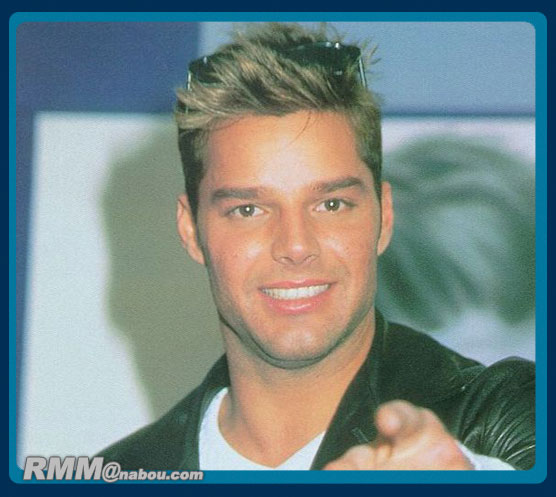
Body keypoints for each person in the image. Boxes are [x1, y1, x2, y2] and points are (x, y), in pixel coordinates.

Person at [98, 22, 535, 471]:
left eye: (331, 204)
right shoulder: (120, 472)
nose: (295, 245)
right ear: (191, 230)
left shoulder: (510, 419)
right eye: (249, 209)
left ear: (384, 216)